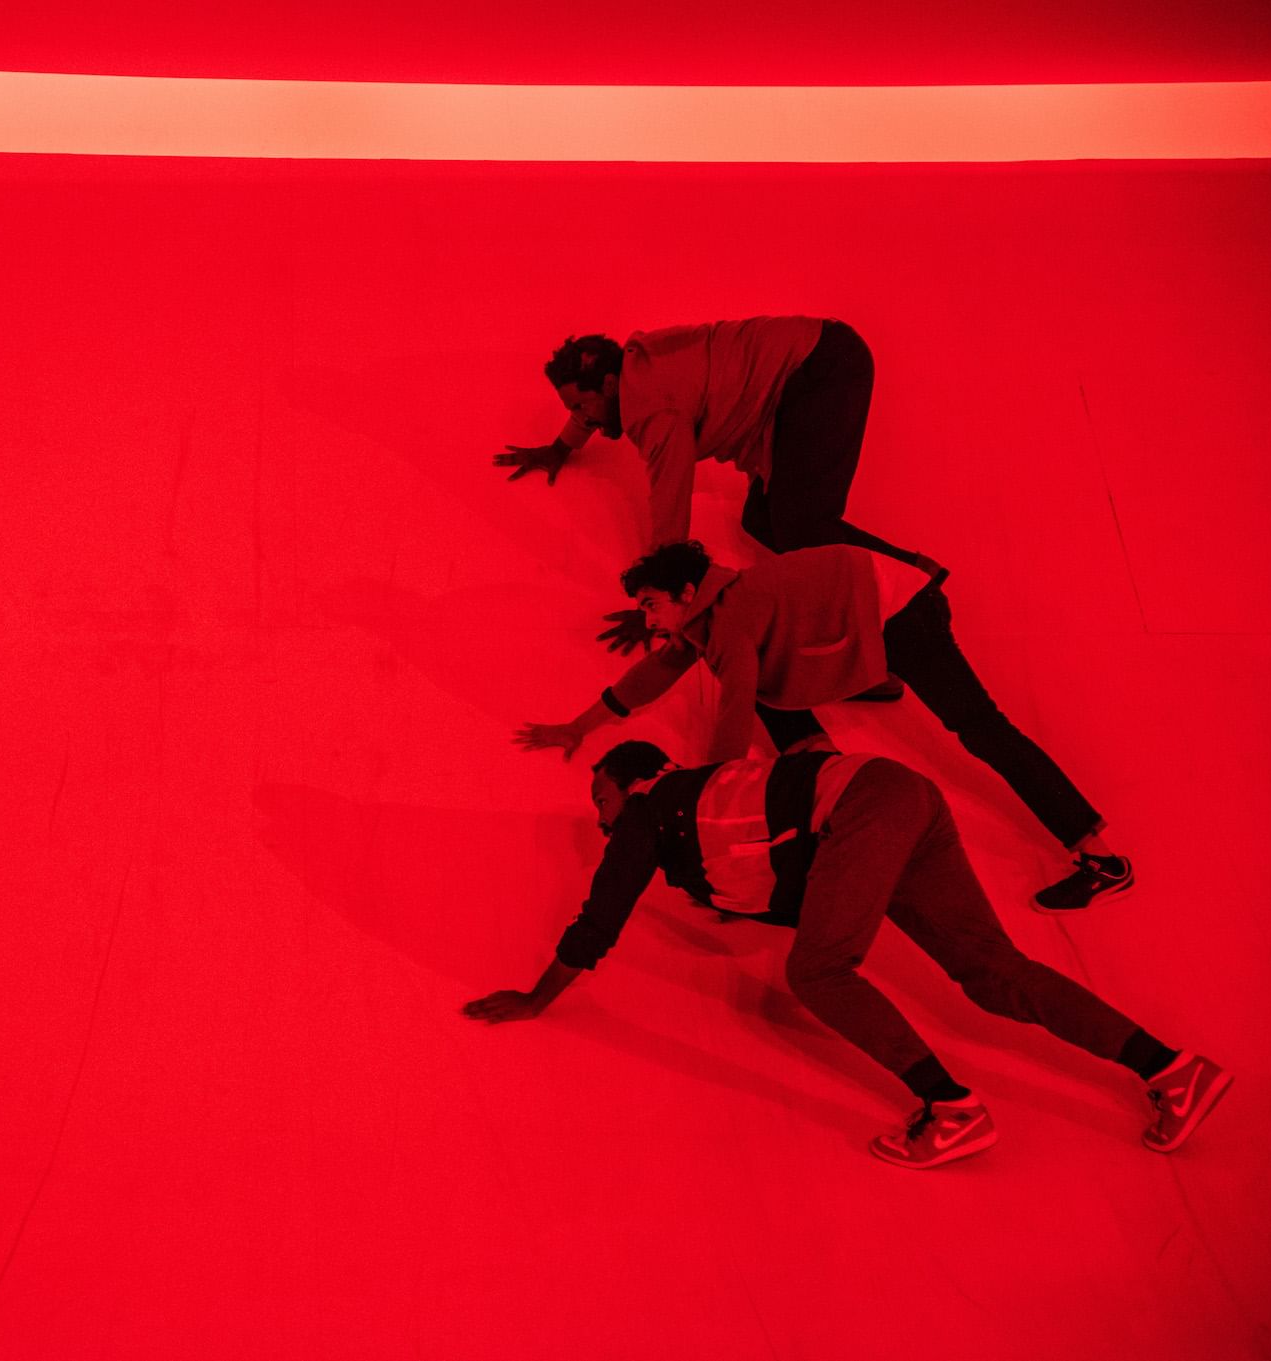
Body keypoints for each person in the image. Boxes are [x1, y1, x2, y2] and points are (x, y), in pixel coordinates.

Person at [463, 740, 1231, 1168]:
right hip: (898, 795)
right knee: (993, 976)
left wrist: (537, 997)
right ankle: (1173, 1068)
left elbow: (601, 919)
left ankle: (951, 1107)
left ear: (633, 785)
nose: (598, 818)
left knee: (816, 971)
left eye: (598, 797)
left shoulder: (648, 817)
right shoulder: (700, 801)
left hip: (864, 806)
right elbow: (787, 862)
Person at [516, 540, 1133, 911]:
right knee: (773, 699)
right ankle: (836, 804)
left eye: (651, 603)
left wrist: (705, 801)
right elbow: (653, 675)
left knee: (979, 728)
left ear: (684, 592)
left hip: (901, 611)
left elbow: (732, 710)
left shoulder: (731, 622)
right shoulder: (706, 623)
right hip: (873, 616)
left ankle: (1100, 859)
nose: (647, 616)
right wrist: (578, 726)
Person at [495, 319, 934, 656]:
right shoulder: (634, 370)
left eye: (581, 407)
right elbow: (591, 408)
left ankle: (913, 581)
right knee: (762, 522)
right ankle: (910, 571)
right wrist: (559, 448)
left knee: (803, 527)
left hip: (822, 370)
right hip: (805, 373)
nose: (582, 418)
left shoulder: (654, 410)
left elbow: (670, 505)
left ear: (609, 384)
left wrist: (655, 603)